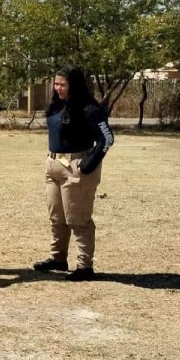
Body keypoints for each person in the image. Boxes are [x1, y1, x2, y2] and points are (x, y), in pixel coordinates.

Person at [33, 66, 114, 280]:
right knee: (57, 216)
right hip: (53, 165)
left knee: (77, 218)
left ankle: (84, 266)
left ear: (74, 85)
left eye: (62, 85)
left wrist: (87, 164)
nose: (58, 88)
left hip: (75, 166)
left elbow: (107, 139)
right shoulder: (57, 105)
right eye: (56, 84)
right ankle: (58, 258)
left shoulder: (89, 109)